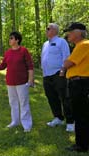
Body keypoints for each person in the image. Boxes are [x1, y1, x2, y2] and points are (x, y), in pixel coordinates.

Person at [0, 31, 34, 132]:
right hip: (10, 82)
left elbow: (30, 66)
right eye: (9, 38)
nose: (9, 40)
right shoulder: (7, 52)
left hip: (22, 81)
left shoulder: (23, 51)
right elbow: (3, 66)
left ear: (17, 40)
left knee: (23, 102)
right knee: (13, 102)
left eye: (11, 38)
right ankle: (15, 121)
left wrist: (30, 79)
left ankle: (27, 125)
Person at [41, 23, 74, 132]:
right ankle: (58, 118)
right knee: (51, 97)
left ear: (55, 30)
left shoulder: (61, 41)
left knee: (64, 97)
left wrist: (63, 70)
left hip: (58, 74)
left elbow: (66, 57)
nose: (46, 30)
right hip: (47, 75)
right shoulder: (45, 44)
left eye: (48, 29)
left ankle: (70, 122)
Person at [62, 22, 89, 152]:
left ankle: (82, 145)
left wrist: (66, 64)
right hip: (78, 83)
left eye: (71, 31)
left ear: (79, 32)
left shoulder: (84, 45)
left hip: (80, 83)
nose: (68, 34)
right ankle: (82, 143)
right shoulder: (80, 45)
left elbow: (68, 63)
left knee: (80, 114)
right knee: (80, 113)